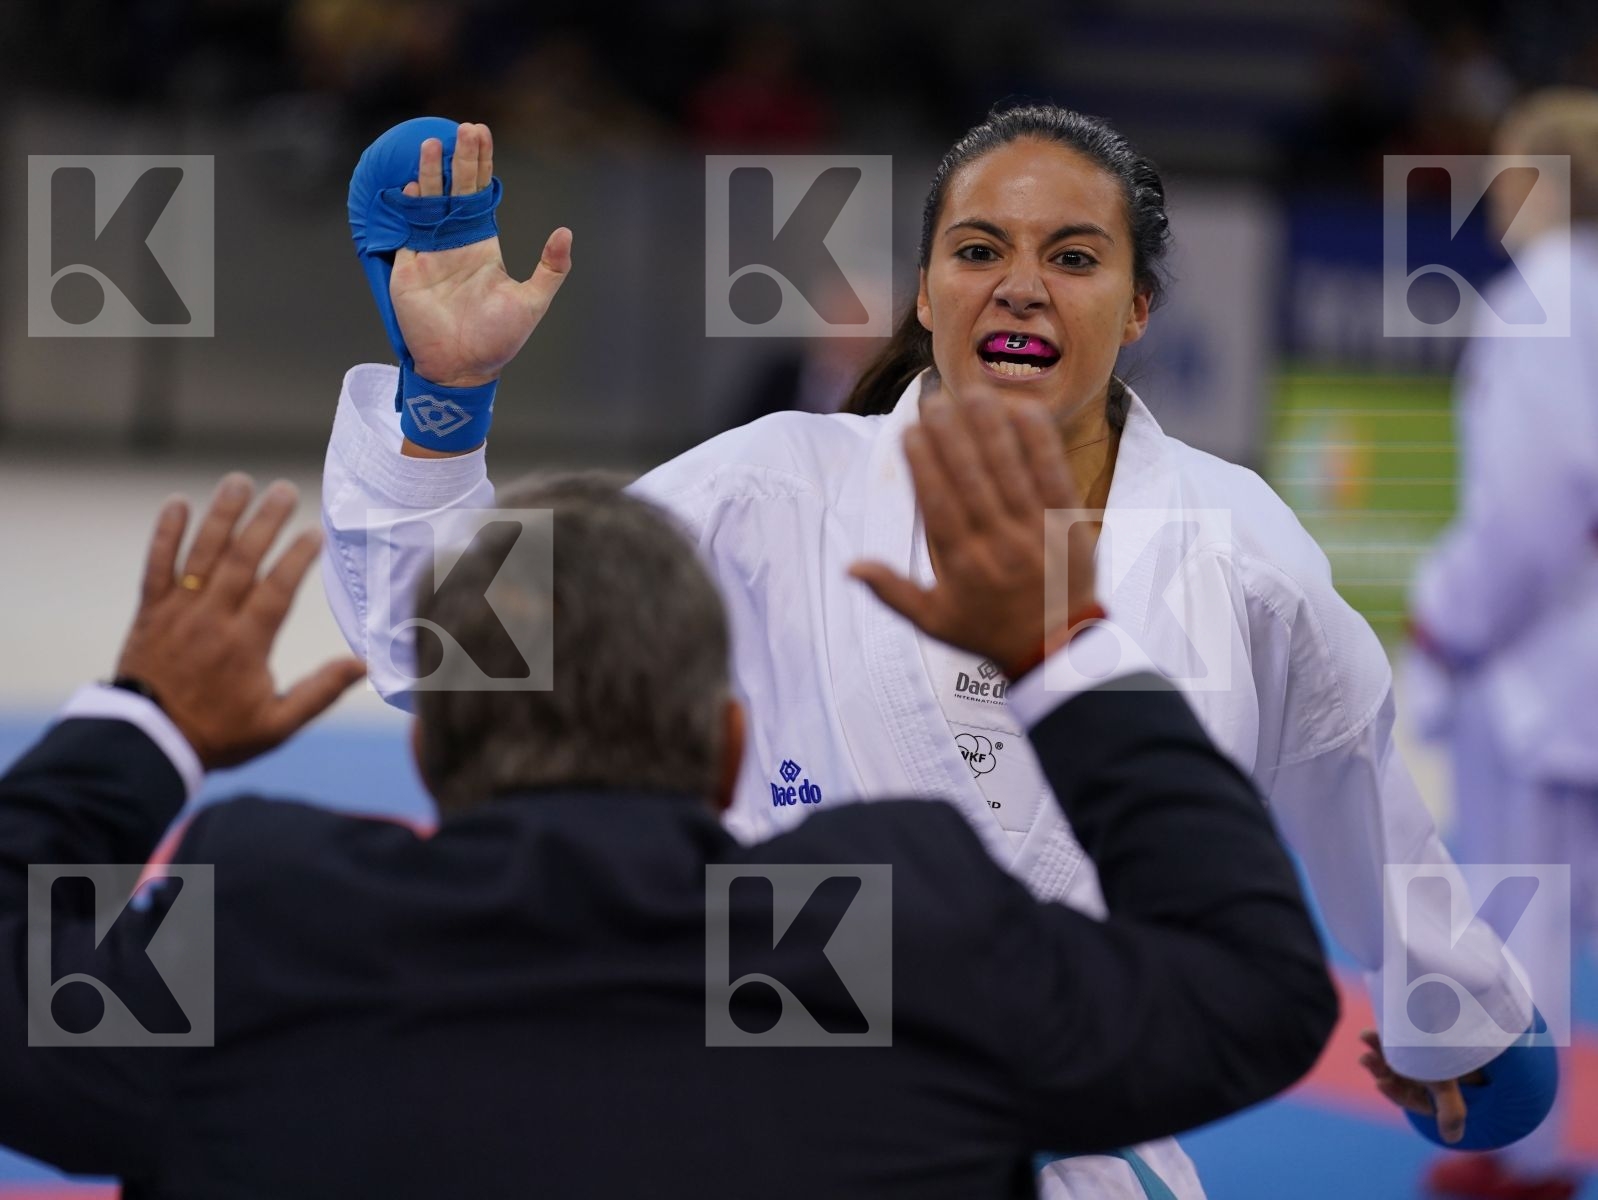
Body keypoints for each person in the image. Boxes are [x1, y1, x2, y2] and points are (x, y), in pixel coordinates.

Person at [325, 108, 1546, 1198]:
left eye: (1071, 258)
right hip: (752, 1122)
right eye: (978, 252)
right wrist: (443, 407)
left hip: (1065, 1152)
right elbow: (463, 662)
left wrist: (1459, 1027)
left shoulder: (1237, 554)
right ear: (923, 292)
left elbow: (1358, 794)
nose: (1019, 288)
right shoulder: (770, 492)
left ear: (1135, 308)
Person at [0, 394, 1338, 1198]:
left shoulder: (266, 929)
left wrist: (143, 728)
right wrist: (1061, 657)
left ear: (427, 759)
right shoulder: (894, 939)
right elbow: (1256, 986)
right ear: (723, 748)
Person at [1405, 87, 1598, 1200]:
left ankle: (1519, 1157)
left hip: (1538, 668)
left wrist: (1449, 623)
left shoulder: (1540, 299)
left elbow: (1532, 506)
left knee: (1513, 921)